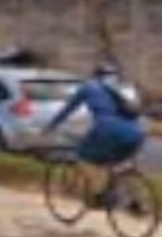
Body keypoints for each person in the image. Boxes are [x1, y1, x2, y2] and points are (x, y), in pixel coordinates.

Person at [45, 63, 146, 206]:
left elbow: (68, 109)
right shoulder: (123, 89)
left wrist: (51, 126)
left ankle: (98, 196)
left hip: (107, 129)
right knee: (122, 164)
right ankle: (136, 201)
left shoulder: (89, 87)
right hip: (136, 131)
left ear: (95, 75)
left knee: (85, 157)